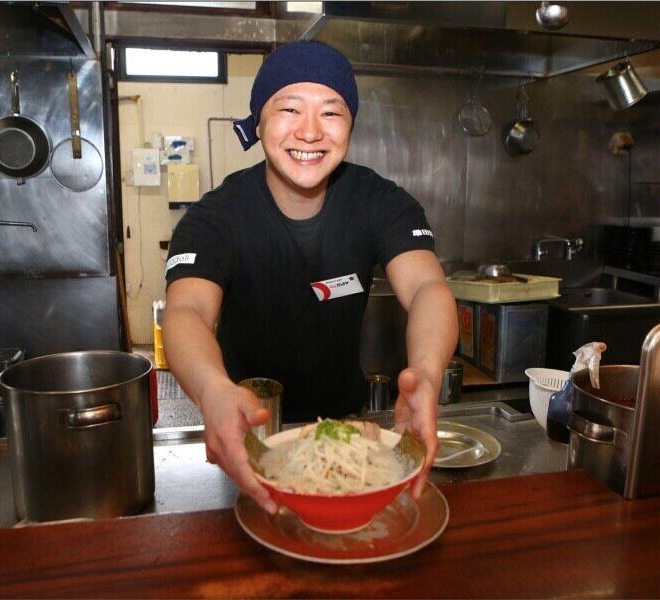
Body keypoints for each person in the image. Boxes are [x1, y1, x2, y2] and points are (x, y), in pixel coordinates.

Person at [163, 40, 458, 514]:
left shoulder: (380, 202)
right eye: (289, 109)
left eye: (331, 112)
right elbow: (186, 312)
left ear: (350, 126)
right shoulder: (215, 217)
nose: (309, 132)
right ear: (258, 122)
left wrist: (426, 373)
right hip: (251, 437)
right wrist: (213, 390)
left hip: (351, 434)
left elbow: (428, 287)